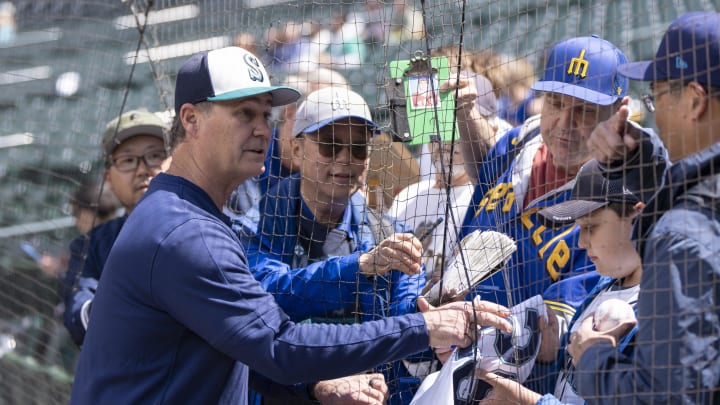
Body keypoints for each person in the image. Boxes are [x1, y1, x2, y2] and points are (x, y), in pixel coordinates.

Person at [69, 46, 512, 404]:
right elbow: (279, 346)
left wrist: (316, 386)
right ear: (191, 120)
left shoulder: (186, 213)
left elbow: (239, 348)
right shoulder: (186, 231)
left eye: (265, 114)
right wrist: (423, 328)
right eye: (243, 113)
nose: (261, 128)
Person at [240, 85, 427, 404]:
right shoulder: (254, 224)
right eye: (329, 145)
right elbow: (265, 297)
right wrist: (360, 267)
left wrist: (430, 308)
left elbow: (404, 315)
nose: (345, 159)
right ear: (297, 150)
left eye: (358, 148)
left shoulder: (389, 233)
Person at [569, 11, 720, 404]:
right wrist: (640, 156)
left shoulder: (682, 234)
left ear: (694, 99)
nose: (656, 112)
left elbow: (671, 399)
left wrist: (593, 359)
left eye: (657, 96)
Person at [452, 36, 654, 308]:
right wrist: (466, 112)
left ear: (619, 111)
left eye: (584, 110)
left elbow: (560, 326)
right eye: (556, 103)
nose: (565, 123)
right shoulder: (518, 141)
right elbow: (484, 171)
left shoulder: (618, 203)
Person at [475, 158, 663, 404]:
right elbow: (570, 389)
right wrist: (551, 356)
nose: (582, 243)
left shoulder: (662, 311)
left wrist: (527, 401)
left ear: (639, 216)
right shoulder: (604, 286)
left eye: (591, 227)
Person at [62, 108, 171, 347]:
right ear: (108, 178)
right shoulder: (91, 245)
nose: (143, 169)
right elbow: (78, 320)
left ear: (172, 161)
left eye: (154, 156)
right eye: (128, 160)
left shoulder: (208, 225)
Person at [225, 67, 349, 232]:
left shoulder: (343, 176)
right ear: (290, 113)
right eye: (320, 120)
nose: (332, 139)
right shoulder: (241, 162)